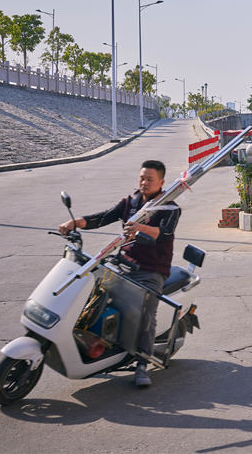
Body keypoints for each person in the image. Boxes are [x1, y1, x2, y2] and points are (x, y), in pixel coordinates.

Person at [59, 159, 180, 388]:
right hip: (122, 262)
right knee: (90, 294)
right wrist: (74, 223)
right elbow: (103, 217)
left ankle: (143, 363)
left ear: (161, 182)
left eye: (149, 179)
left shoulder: (170, 208)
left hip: (152, 270)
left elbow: (164, 234)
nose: (144, 182)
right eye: (142, 178)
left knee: (145, 312)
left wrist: (140, 228)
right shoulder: (130, 202)